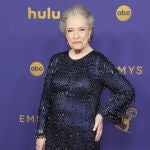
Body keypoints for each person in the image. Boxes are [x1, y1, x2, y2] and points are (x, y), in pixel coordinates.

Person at [35, 4, 135, 150]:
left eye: (81, 30)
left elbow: (127, 91)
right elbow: (45, 101)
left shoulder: (98, 62)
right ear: (66, 35)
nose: (76, 36)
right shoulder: (56, 60)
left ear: (89, 32)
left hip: (84, 139)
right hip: (53, 138)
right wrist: (40, 134)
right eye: (70, 30)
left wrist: (102, 114)